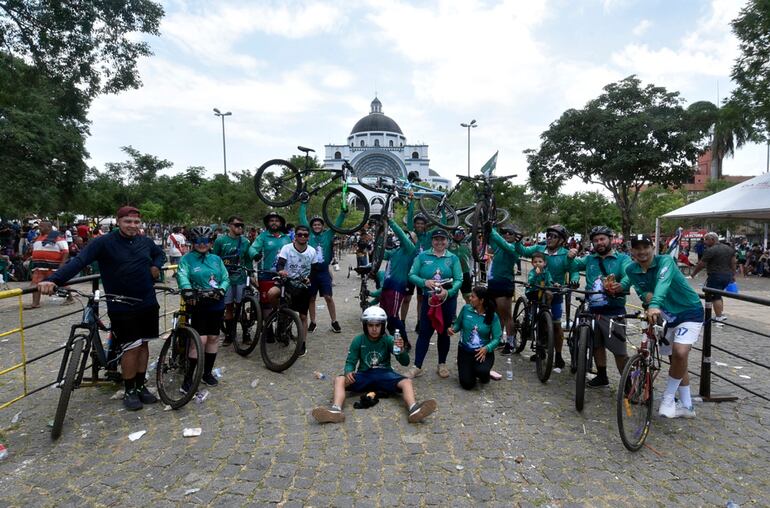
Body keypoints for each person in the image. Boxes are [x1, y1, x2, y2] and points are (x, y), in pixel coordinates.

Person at [38, 206, 166, 411]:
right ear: (118, 221)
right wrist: (54, 279)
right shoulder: (103, 242)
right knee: (131, 347)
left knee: (143, 344)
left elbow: (160, 255)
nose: (133, 226)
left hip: (147, 301)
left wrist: (156, 266)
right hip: (121, 303)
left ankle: (141, 385)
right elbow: (79, 261)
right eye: (128, 221)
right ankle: (130, 389)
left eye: (136, 222)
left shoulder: (145, 241)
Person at [623, 234, 703, 418]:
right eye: (637, 248)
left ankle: (668, 398)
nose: (642, 252)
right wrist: (647, 300)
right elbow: (642, 292)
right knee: (676, 360)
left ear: (653, 248)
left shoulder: (665, 261)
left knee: (680, 352)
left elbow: (663, 283)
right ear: (631, 251)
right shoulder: (631, 269)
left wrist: (654, 303)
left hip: (689, 311)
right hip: (665, 315)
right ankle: (687, 406)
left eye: (645, 247)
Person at [311, 306, 437, 424]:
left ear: (383, 325)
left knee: (407, 382)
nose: (374, 329)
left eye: (377, 325)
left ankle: (414, 409)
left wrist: (401, 351)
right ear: (365, 326)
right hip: (364, 375)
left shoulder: (389, 340)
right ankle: (336, 410)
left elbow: (405, 362)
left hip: (385, 375)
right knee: (339, 379)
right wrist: (348, 372)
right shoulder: (358, 340)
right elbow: (350, 361)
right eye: (371, 325)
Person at [567, 226, 632, 388]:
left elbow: (628, 274)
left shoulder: (622, 259)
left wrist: (621, 286)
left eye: (602, 239)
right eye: (595, 240)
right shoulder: (590, 259)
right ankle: (602, 376)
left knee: (619, 351)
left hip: (613, 311)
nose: (599, 243)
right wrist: (570, 258)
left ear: (611, 239)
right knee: (596, 345)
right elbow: (574, 265)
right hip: (592, 310)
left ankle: (628, 385)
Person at [513, 224, 579, 369]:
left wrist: (574, 281)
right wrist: (518, 242)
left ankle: (559, 355)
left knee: (556, 325)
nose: (550, 238)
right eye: (548, 235)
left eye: (554, 236)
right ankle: (540, 349)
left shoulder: (566, 254)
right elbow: (522, 251)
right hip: (537, 291)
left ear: (562, 240)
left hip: (555, 293)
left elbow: (574, 270)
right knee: (539, 321)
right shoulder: (539, 249)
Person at [177, 226, 230, 390]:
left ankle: (207, 373)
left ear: (211, 242)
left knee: (213, 338)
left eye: (206, 241)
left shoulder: (216, 259)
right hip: (197, 304)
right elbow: (182, 275)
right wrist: (187, 290)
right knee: (200, 340)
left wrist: (222, 289)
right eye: (198, 241)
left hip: (216, 303)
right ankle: (188, 378)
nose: (202, 244)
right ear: (192, 242)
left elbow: (225, 277)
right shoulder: (186, 259)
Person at [407, 229, 463, 379]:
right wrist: (424, 282)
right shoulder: (422, 256)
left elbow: (459, 279)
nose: (439, 242)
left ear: (447, 241)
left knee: (444, 332)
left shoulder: (453, 258)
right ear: (431, 241)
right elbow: (411, 275)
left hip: (447, 300)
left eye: (442, 239)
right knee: (424, 332)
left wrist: (448, 292)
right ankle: (417, 366)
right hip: (429, 300)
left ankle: (442, 364)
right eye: (436, 239)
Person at [269, 224, 322, 354]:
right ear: (295, 236)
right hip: (286, 282)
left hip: (303, 285)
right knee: (271, 293)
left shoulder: (312, 251)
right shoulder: (287, 248)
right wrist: (281, 271)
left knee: (303, 316)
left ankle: (302, 343)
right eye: (300, 234)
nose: (302, 237)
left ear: (308, 237)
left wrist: (309, 278)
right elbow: (280, 264)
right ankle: (277, 312)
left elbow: (315, 269)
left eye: (305, 235)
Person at [298, 201, 345, 333]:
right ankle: (313, 322)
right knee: (311, 298)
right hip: (311, 272)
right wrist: (303, 204)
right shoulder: (309, 235)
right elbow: (302, 219)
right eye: (314, 224)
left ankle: (334, 321)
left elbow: (337, 224)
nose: (317, 226)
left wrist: (343, 212)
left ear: (323, 226)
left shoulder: (328, 234)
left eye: (319, 224)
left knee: (328, 297)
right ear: (311, 226)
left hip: (324, 272)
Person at [448, 286, 502, 390]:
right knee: (467, 384)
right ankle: (469, 369)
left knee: (482, 372)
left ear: (481, 300)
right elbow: (458, 324)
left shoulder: (492, 316)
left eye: (473, 297)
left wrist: (487, 348)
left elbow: (497, 338)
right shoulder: (466, 309)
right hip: (465, 351)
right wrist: (452, 329)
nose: (470, 298)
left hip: (482, 353)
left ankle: (484, 373)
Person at [379, 217, 417, 350]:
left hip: (397, 288)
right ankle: (392, 340)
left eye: (409, 236)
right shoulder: (395, 251)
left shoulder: (410, 250)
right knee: (384, 316)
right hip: (386, 287)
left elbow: (401, 235)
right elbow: (380, 252)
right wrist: (380, 233)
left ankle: (405, 342)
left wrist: (391, 222)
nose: (405, 237)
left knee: (393, 317)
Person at [212, 216, 251, 345]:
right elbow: (215, 259)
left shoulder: (245, 241)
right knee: (228, 307)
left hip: (241, 278)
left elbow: (248, 260)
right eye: (237, 225)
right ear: (229, 225)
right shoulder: (220, 241)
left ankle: (246, 334)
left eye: (241, 225)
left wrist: (251, 275)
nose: (240, 227)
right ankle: (229, 334)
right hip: (226, 280)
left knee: (242, 306)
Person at [486, 225, 523, 346]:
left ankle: (510, 343)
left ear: (515, 236)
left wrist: (492, 231)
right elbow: (492, 239)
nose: (507, 234)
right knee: (497, 315)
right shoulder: (498, 247)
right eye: (505, 232)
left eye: (510, 233)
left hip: (504, 283)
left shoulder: (513, 248)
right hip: (493, 283)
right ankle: (499, 339)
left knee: (506, 315)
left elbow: (502, 243)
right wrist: (488, 228)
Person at [688, 232, 735, 322]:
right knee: (718, 294)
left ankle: (719, 317)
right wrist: (733, 275)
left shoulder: (711, 250)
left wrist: (693, 274)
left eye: (706, 239)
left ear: (712, 239)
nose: (704, 242)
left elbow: (701, 264)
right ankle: (720, 313)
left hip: (715, 275)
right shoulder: (729, 249)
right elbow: (733, 262)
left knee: (714, 296)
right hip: (727, 276)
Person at [249, 211, 292, 307]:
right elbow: (252, 248)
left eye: (276, 221)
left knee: (284, 301)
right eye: (271, 220)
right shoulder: (262, 237)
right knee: (266, 303)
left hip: (283, 274)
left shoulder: (286, 238)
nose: (274, 222)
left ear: (280, 223)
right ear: (268, 223)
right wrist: (255, 254)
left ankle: (281, 315)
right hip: (266, 274)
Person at [26, 221, 70, 309]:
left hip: (53, 267)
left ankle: (70, 298)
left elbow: (65, 251)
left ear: (49, 227)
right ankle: (35, 303)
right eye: (39, 226)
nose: (39, 228)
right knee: (35, 284)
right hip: (39, 267)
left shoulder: (58, 237)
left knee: (61, 283)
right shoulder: (38, 238)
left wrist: (62, 264)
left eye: (42, 226)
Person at [448, 227, 473, 304]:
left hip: (465, 272)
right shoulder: (449, 242)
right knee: (452, 296)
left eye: (461, 233)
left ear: (463, 234)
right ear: (453, 235)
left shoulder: (467, 242)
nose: (458, 235)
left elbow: (474, 232)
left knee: (468, 296)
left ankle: (469, 310)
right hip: (452, 273)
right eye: (456, 233)